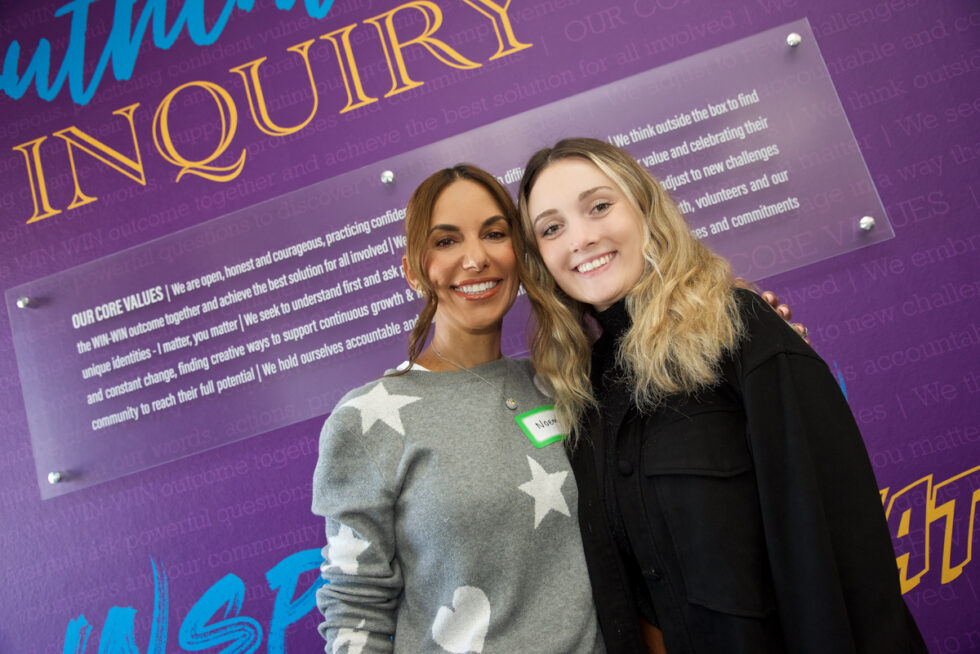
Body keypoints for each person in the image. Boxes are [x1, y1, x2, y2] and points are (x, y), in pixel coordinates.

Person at [516, 137, 926, 654]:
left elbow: (842, 552)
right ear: (540, 258)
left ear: (644, 207)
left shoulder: (742, 330)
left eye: (599, 206)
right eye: (551, 228)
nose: (581, 238)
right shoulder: (580, 392)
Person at [311, 164, 607, 653]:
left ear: (520, 255)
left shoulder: (561, 386)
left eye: (494, 234)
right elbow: (354, 610)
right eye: (446, 241)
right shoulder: (368, 419)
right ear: (412, 272)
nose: (475, 258)